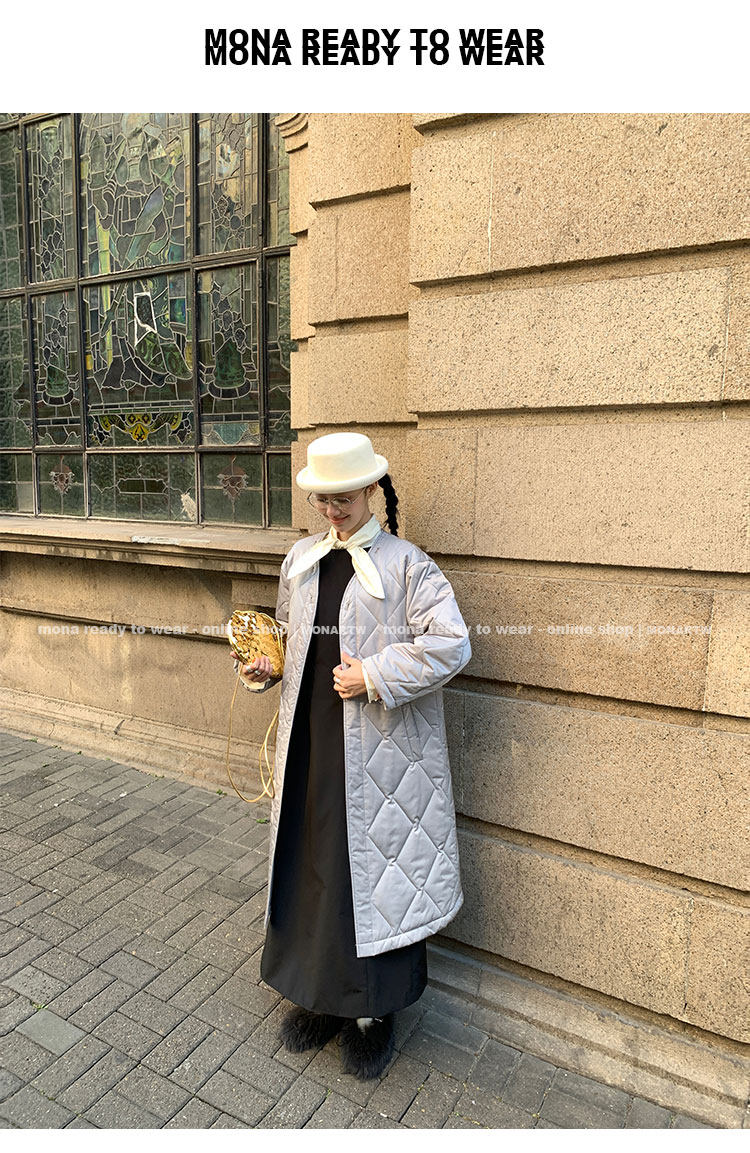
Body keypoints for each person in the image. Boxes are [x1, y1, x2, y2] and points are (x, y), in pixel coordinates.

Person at [233, 432, 472, 1080]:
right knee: (314, 861)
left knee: (370, 870)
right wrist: (268, 665)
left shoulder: (407, 566)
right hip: (312, 741)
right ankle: (318, 996)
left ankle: (372, 1013)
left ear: (370, 489)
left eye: (343, 497)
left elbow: (451, 644)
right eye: (323, 499)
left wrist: (376, 673)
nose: (332, 510)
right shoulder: (301, 559)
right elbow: (291, 638)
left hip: (380, 752)